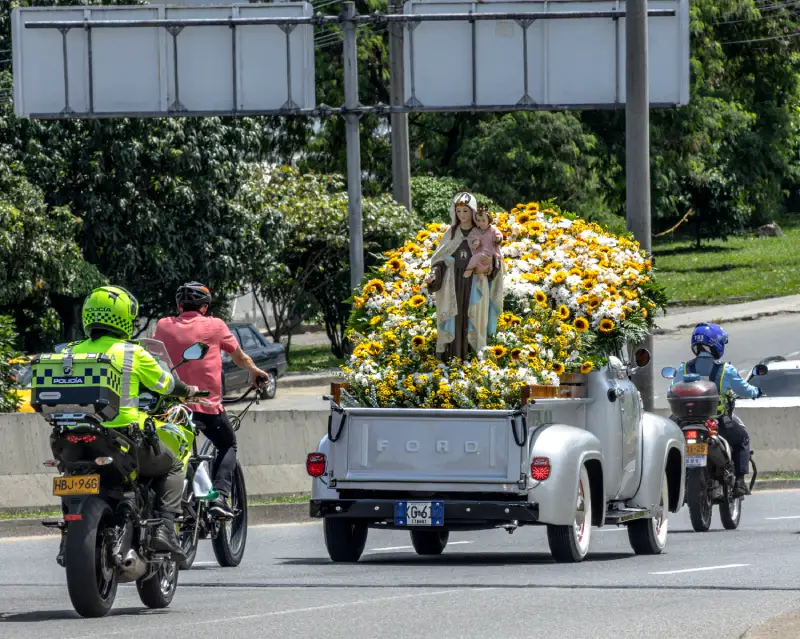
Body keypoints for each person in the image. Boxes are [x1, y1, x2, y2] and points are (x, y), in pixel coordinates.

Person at [68, 285, 200, 560]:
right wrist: (188, 390)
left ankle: (68, 535)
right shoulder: (132, 353)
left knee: (72, 475)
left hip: (71, 438)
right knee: (174, 463)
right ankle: (164, 527)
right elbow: (165, 384)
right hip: (124, 440)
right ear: (125, 317)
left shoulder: (71, 352)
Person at [154, 282, 268, 519]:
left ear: (178, 305)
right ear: (204, 307)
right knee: (227, 444)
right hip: (206, 407)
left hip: (170, 409)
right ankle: (220, 497)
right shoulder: (215, 325)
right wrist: (256, 372)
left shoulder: (163, 326)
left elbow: (155, 356)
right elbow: (239, 356)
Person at [670, 322, 763, 497]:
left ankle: (668, 483)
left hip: (684, 422)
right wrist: (756, 392)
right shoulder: (725, 370)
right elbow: (744, 389)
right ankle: (740, 483)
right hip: (718, 423)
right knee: (742, 439)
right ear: (717, 344)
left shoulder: (684, 369)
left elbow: (671, 391)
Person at [425, 191, 505, 361]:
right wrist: (434, 274)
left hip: (475, 282)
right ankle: (451, 363)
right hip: (453, 283)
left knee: (474, 319)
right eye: (458, 211)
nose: (462, 215)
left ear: (473, 211)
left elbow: (496, 257)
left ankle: (473, 361)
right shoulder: (452, 234)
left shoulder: (482, 232)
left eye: (466, 211)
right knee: (454, 320)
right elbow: (438, 259)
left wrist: (490, 265)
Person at [464, 205, 503, 279]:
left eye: (483, 220)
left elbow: (499, 237)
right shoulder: (475, 230)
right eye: (478, 220)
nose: (481, 223)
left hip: (491, 254)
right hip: (479, 255)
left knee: (482, 259)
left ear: (489, 219)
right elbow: (471, 238)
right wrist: (475, 242)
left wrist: (497, 239)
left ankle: (472, 270)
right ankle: (476, 272)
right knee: (476, 259)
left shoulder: (493, 229)